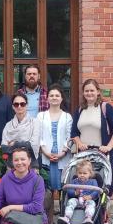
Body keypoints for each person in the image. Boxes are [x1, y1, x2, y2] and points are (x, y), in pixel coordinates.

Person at [71, 78, 113, 197]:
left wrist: (108, 147)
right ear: (83, 93)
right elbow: (74, 132)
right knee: (83, 183)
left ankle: (102, 206)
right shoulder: (80, 110)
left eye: (92, 90)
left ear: (98, 91)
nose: (89, 93)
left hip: (102, 153)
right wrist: (79, 143)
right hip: (84, 155)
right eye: (86, 91)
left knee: (103, 183)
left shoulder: (106, 108)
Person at [38, 84, 72, 212]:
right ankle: (49, 218)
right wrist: (46, 152)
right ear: (47, 98)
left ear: (61, 98)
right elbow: (39, 135)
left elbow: (69, 137)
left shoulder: (67, 117)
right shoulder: (41, 116)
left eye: (57, 95)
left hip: (62, 157)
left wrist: (63, 152)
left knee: (64, 188)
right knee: (48, 190)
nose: (54, 97)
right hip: (46, 157)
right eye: (51, 95)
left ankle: (64, 216)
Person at [1, 92, 41, 164]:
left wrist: (15, 143)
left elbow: (34, 145)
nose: (19, 106)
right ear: (13, 107)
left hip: (31, 164)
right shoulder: (8, 125)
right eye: (16, 104)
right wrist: (25, 144)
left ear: (27, 105)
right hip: (12, 164)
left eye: (22, 104)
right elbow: (4, 147)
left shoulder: (35, 123)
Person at [60, 159, 98, 224]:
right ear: (77, 173)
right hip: (77, 199)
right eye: (80, 173)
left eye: (85, 173)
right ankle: (67, 217)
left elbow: (96, 191)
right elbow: (69, 191)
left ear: (90, 173)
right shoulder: (74, 181)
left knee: (92, 204)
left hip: (88, 200)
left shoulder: (93, 181)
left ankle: (88, 218)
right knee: (70, 201)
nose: (82, 175)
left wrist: (90, 196)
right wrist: (75, 193)